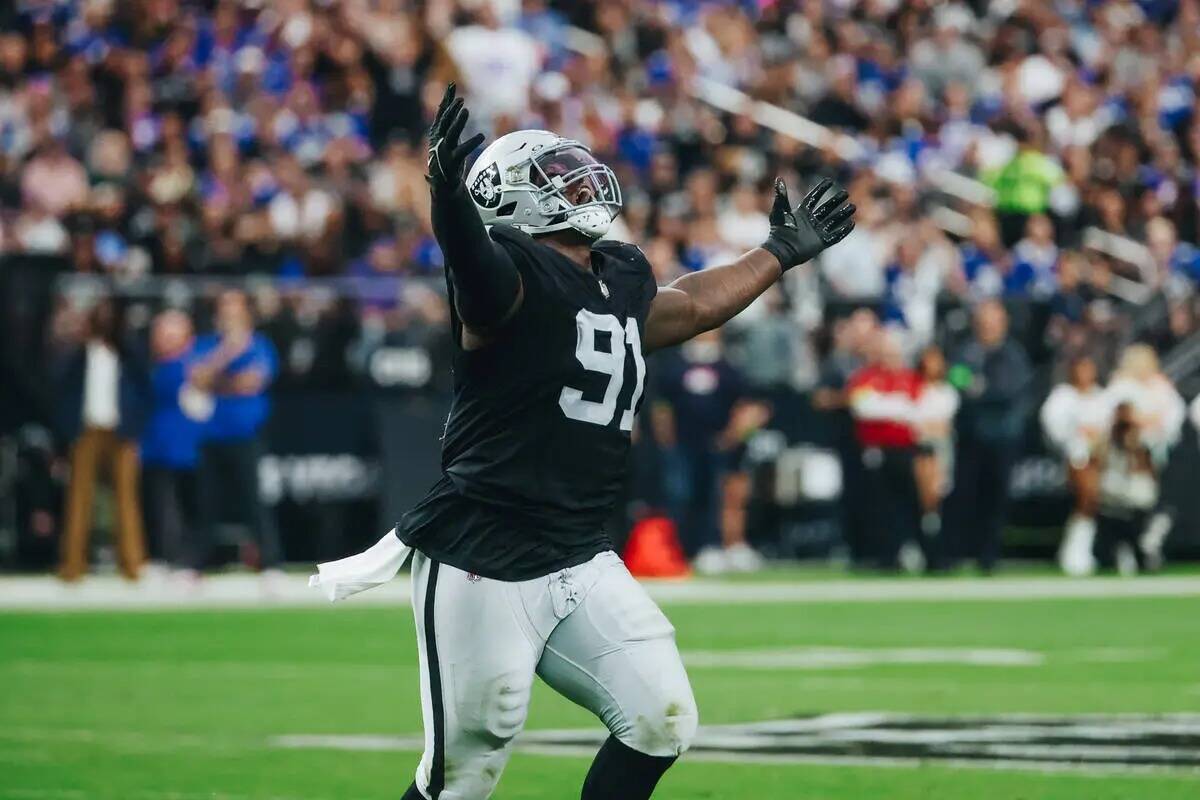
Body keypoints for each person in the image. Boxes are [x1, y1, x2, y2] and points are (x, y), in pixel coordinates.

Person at [310, 84, 856, 800]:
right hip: (485, 555)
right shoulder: (504, 279)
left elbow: (688, 307)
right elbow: (473, 270)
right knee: (465, 775)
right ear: (506, 203)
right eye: (551, 176)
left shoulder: (616, 274)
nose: (576, 180)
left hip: (579, 550)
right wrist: (447, 202)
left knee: (660, 717)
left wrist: (778, 252)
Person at [187, 289, 282, 577]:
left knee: (255, 503)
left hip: (246, 435)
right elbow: (197, 378)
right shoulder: (208, 345)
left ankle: (270, 564)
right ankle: (196, 566)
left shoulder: (261, 345)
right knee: (206, 504)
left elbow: (251, 382)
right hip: (212, 436)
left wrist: (217, 382)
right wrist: (228, 352)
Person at [55, 298, 149, 581]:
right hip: (87, 432)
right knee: (79, 499)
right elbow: (62, 393)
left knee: (126, 499)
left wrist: (135, 427)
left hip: (121, 433)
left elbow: (145, 393)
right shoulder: (79, 355)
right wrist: (68, 428)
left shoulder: (128, 355)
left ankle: (132, 565)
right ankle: (72, 566)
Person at [944, 300, 1032, 572]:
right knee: (963, 494)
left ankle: (989, 556)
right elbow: (956, 377)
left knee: (996, 498)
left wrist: (979, 389)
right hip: (970, 435)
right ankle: (954, 554)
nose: (987, 326)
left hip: (1002, 436)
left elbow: (1006, 391)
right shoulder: (967, 350)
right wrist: (976, 388)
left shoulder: (1013, 354)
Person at [846, 328, 923, 570]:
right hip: (877, 451)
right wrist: (899, 407)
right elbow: (862, 407)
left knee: (908, 503)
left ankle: (907, 549)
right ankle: (881, 555)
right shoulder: (866, 377)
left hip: (906, 450)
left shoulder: (911, 378)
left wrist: (887, 405)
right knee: (878, 506)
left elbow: (920, 409)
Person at [140, 310, 203, 572]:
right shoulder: (149, 367)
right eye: (161, 334)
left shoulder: (194, 366)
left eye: (171, 335)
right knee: (159, 506)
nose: (164, 340)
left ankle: (185, 559)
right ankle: (161, 556)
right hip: (155, 446)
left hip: (187, 447)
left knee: (186, 506)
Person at [1040, 354, 1111, 576]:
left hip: (1101, 458)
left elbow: (1110, 426)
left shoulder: (1102, 396)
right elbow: (1053, 426)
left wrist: (1098, 437)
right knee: (1086, 497)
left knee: (1094, 502)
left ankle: (1081, 550)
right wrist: (1078, 432)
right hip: (1074, 456)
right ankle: (1073, 553)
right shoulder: (1063, 396)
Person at [911, 344, 959, 546]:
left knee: (939, 494)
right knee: (920, 495)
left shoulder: (947, 392)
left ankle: (937, 542)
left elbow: (943, 426)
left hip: (941, 450)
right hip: (918, 449)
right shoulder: (914, 389)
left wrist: (925, 425)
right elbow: (913, 422)